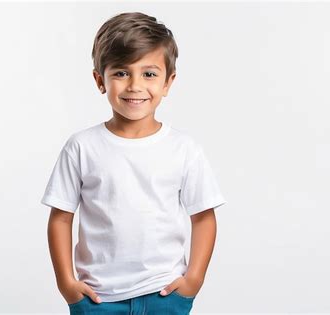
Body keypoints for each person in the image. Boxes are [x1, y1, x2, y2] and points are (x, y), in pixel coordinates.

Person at [41, 11, 227, 315]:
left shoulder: (183, 149)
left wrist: (193, 279)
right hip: (98, 298)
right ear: (100, 80)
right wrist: (66, 283)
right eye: (121, 73)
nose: (134, 85)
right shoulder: (82, 147)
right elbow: (60, 217)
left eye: (149, 74)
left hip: (164, 293)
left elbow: (203, 216)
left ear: (168, 82)